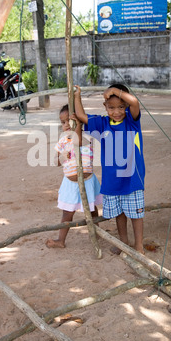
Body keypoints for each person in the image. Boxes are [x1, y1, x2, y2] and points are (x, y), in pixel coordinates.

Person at [74, 84, 145, 254]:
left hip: (132, 178)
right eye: (111, 107)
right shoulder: (103, 123)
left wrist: (115, 91)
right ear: (104, 106)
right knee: (119, 214)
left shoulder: (132, 122)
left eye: (121, 107)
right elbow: (81, 116)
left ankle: (139, 246)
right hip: (112, 180)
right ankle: (124, 241)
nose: (117, 112)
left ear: (126, 107)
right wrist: (77, 96)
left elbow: (135, 102)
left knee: (136, 214)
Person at [46, 104, 102, 248]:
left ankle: (97, 232)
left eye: (69, 121)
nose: (66, 125)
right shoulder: (63, 142)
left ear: (78, 121)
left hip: (88, 181)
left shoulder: (86, 137)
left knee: (92, 210)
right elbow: (56, 162)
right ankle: (61, 240)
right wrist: (63, 156)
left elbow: (78, 141)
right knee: (67, 214)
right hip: (70, 184)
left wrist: (78, 124)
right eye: (63, 122)